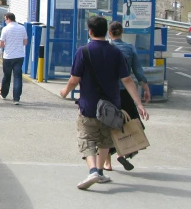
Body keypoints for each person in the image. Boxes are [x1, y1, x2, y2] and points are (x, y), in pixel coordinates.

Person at [59, 16, 148, 191]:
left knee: (86, 137)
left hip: (89, 105)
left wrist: (64, 92)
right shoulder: (116, 52)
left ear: (90, 31)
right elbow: (128, 80)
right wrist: (139, 104)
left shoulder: (83, 52)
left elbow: (74, 79)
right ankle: (100, 171)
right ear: (105, 31)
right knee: (106, 139)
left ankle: (93, 170)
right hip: (111, 107)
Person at [104, 21, 151, 171]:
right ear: (121, 32)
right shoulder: (130, 49)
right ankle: (122, 154)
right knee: (129, 124)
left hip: (109, 93)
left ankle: (107, 163)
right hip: (125, 92)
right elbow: (137, 70)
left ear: (109, 33)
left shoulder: (107, 49)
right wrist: (145, 87)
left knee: (107, 126)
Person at [0, 12, 28, 104]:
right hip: (19, 56)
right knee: (18, 77)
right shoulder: (22, 28)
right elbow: (25, 42)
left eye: (5, 19)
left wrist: (7, 45)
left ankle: (4, 93)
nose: (5, 21)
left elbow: (1, 44)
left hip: (8, 56)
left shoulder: (5, 29)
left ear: (8, 18)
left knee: (7, 76)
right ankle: (16, 98)